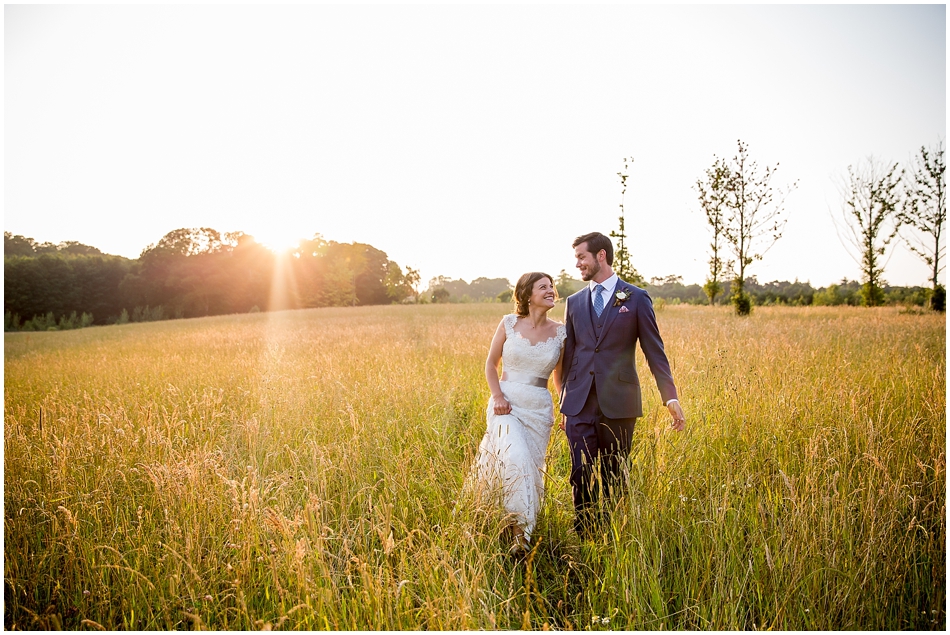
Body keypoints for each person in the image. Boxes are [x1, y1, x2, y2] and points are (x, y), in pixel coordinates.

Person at [559, 232, 686, 539]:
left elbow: (655, 353)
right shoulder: (574, 302)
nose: (577, 264)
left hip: (620, 404)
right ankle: (585, 539)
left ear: (601, 256)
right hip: (578, 405)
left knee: (614, 475)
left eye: (581, 257)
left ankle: (612, 538)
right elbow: (569, 355)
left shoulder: (637, 297)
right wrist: (564, 403)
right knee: (581, 474)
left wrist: (670, 398)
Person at [464, 272, 565, 555]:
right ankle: (518, 536)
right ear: (527, 294)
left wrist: (566, 409)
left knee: (530, 470)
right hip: (505, 405)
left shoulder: (561, 332)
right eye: (542, 287)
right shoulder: (509, 323)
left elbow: (561, 379)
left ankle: (520, 533)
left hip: (538, 408)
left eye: (551, 286)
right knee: (514, 457)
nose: (550, 290)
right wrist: (497, 396)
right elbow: (490, 364)